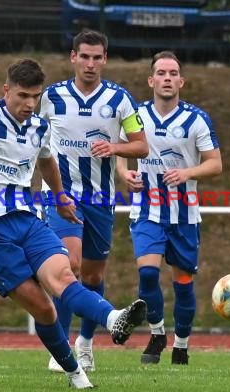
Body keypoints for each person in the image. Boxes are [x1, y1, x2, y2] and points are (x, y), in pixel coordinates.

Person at [0, 58, 146, 389]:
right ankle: (75, 373)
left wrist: (60, 198)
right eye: (23, 96)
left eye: (35, 97)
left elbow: (47, 163)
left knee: (64, 276)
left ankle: (115, 319)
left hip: (26, 219)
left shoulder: (39, 127)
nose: (30, 104)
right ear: (7, 91)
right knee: (44, 309)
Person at [39, 30, 148, 373]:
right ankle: (63, 348)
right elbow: (32, 139)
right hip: (61, 194)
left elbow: (142, 145)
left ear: (105, 59)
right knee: (68, 264)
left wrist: (115, 148)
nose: (89, 63)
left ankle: (85, 343)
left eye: (96, 57)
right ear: (73, 57)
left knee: (92, 274)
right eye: (83, 56)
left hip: (100, 197)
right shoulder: (51, 97)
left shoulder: (120, 100)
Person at [117, 51, 223, 365]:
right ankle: (157, 333)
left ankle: (182, 345)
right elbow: (120, 152)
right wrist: (125, 173)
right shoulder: (135, 115)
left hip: (185, 213)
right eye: (161, 73)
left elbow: (215, 164)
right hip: (147, 209)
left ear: (181, 81)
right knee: (148, 273)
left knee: (183, 283)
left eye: (172, 73)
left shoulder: (197, 118)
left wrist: (188, 173)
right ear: (151, 80)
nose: (167, 78)